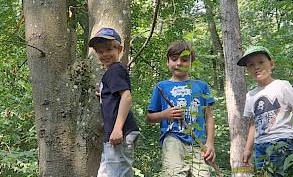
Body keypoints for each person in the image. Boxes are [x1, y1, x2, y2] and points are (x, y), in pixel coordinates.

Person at [238, 45, 293, 176]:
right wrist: (247, 149)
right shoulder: (251, 95)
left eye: (260, 62)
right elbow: (253, 124)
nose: (256, 67)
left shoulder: (282, 86)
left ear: (271, 64)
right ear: (248, 70)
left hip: (282, 142)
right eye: (251, 65)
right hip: (260, 146)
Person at [146, 40, 216, 177]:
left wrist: (209, 143)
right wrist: (165, 114)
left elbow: (209, 117)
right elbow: (149, 117)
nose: (179, 63)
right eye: (174, 59)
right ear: (168, 62)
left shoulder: (201, 86)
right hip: (173, 138)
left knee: (203, 174)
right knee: (174, 173)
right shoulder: (161, 87)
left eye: (184, 60)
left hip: (198, 142)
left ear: (191, 62)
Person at [90, 27, 140, 177]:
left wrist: (118, 128)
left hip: (120, 133)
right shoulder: (113, 72)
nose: (104, 54)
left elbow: (126, 97)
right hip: (113, 136)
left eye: (108, 49)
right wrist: (103, 95)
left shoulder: (115, 70)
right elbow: (116, 96)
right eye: (100, 51)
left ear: (120, 48)